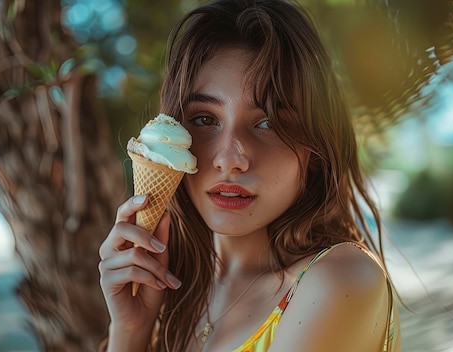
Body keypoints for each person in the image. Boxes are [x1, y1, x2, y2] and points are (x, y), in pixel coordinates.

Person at [98, 0, 401, 351]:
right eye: (205, 120)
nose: (229, 159)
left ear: (316, 150)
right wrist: (131, 331)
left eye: (268, 122)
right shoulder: (171, 295)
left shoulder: (339, 280)